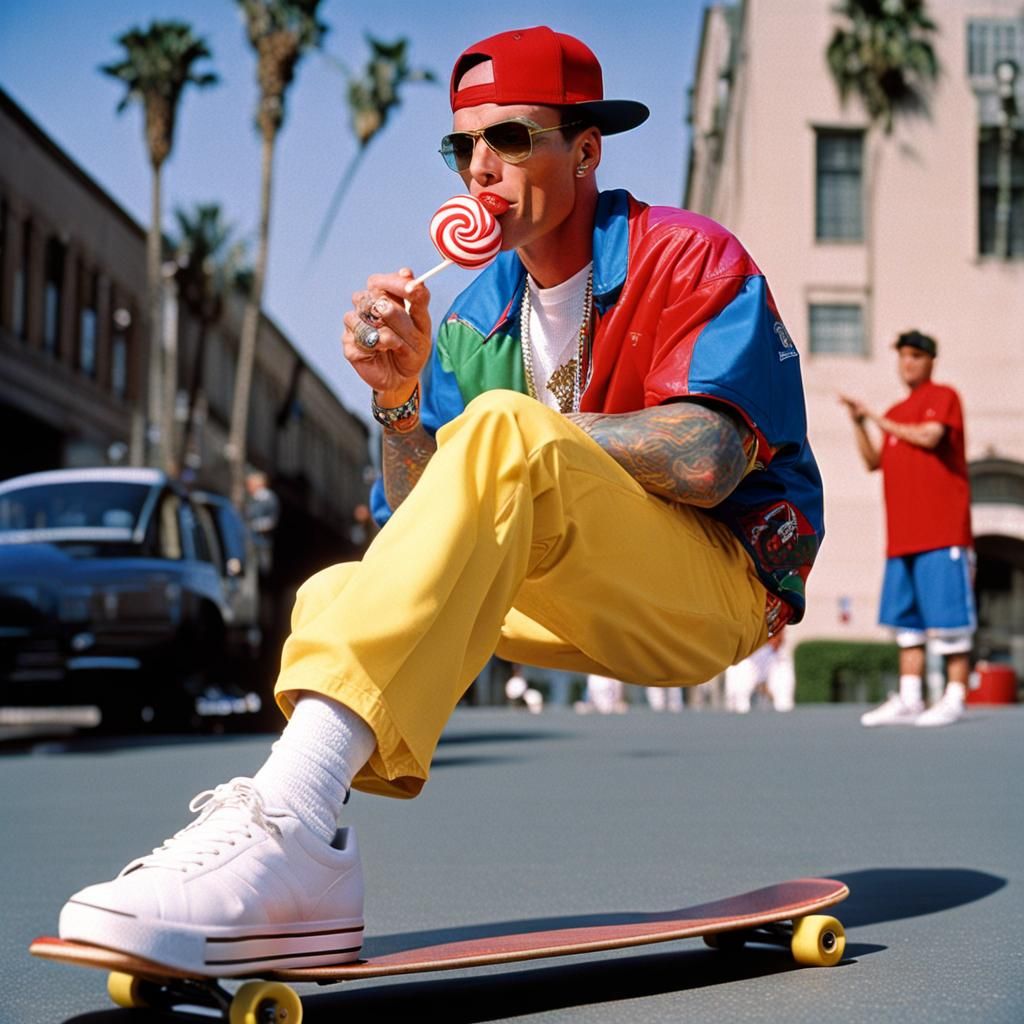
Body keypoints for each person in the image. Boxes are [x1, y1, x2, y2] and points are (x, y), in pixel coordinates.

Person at [57, 26, 823, 976]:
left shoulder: (686, 256)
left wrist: (511, 443)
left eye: (511, 138)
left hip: (714, 593)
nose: (481, 166)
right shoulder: (469, 314)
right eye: (464, 146)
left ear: (585, 150)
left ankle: (284, 827)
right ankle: (306, 848)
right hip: (562, 598)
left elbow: (709, 458)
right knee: (336, 594)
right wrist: (400, 401)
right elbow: (418, 519)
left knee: (504, 430)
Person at [840, 329, 974, 728]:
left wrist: (876, 418)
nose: (908, 362)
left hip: (943, 535)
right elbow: (872, 462)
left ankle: (954, 697)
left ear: (931, 360)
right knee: (907, 626)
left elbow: (930, 438)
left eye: (916, 355)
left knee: (950, 624)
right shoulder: (895, 412)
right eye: (903, 356)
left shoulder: (943, 397)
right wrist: (860, 424)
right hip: (902, 539)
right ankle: (911, 697)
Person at [724, 628, 795, 713]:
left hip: (773, 652)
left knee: (784, 698)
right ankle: (738, 723)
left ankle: (784, 724)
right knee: (738, 698)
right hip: (747, 654)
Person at [244, 470, 280, 576]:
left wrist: (254, 526)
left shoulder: (269, 498)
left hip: (262, 541)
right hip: (251, 540)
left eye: (250, 484)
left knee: (263, 568)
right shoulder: (252, 498)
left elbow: (272, 521)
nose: (248, 487)